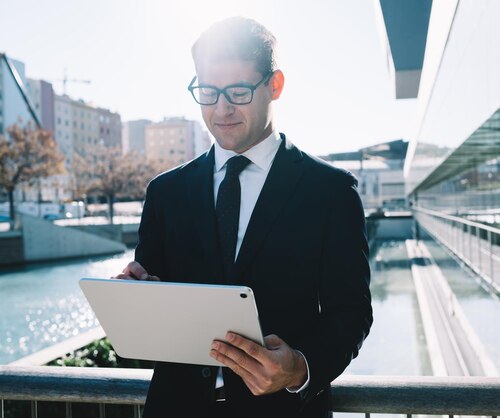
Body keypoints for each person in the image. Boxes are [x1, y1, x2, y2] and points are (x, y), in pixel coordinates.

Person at [115, 16, 372, 418]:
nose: (221, 108)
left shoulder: (331, 191)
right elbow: (156, 297)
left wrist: (299, 368)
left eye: (237, 90)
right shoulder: (165, 192)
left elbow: (351, 312)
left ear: (275, 85)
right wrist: (139, 294)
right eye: (208, 91)